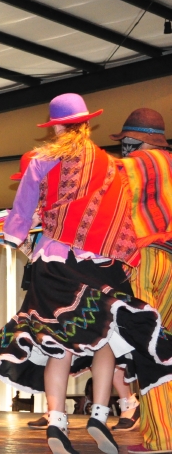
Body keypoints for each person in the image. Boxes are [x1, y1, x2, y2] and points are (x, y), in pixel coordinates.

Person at [0, 94, 172, 454]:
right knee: (107, 339)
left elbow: (21, 215)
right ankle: (100, 415)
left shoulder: (41, 161)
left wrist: (13, 235)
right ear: (87, 123)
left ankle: (57, 421)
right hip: (104, 264)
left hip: (57, 263)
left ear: (54, 127)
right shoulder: (111, 165)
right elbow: (119, 216)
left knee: (58, 343)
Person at [110, 108, 172, 454]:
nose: (124, 148)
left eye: (126, 142)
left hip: (144, 259)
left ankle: (161, 437)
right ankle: (158, 431)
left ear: (135, 141)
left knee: (151, 347)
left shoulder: (130, 167)